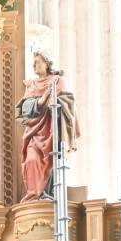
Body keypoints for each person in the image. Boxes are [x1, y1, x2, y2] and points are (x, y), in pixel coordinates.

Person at [16, 51, 80, 201]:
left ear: (47, 63)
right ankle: (35, 194)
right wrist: (41, 100)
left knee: (52, 164)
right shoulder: (31, 85)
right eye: (34, 62)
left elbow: (69, 102)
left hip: (52, 131)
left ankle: (48, 194)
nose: (34, 65)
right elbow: (24, 108)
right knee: (31, 160)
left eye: (38, 62)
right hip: (34, 132)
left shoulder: (58, 80)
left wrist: (55, 104)